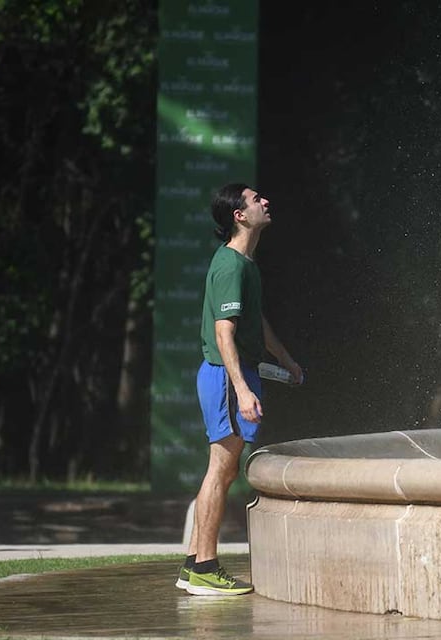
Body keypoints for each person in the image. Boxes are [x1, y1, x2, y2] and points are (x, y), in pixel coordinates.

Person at [176, 182, 303, 595]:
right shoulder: (231, 265)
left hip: (237, 375)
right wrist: (242, 390)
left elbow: (256, 323)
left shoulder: (246, 265)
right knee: (220, 468)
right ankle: (206, 569)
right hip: (227, 377)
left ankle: (193, 564)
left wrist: (285, 359)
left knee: (225, 469)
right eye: (255, 200)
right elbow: (224, 332)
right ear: (239, 215)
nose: (265, 201)